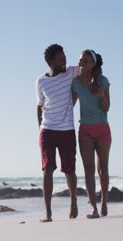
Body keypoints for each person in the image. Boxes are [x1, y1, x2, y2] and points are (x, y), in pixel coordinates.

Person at [36, 44, 79, 222]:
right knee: (47, 169)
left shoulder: (71, 73)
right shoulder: (41, 81)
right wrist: (41, 128)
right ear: (51, 62)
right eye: (61, 59)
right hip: (48, 130)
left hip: (67, 129)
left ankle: (74, 202)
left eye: (65, 57)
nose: (65, 61)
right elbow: (39, 106)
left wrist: (73, 101)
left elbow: (89, 65)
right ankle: (48, 212)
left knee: (69, 170)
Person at [71, 49, 111, 218]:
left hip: (102, 128)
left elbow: (107, 108)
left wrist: (102, 95)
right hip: (85, 130)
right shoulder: (75, 83)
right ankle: (93, 208)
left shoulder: (103, 81)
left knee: (102, 169)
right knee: (88, 170)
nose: (82, 63)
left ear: (93, 64)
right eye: (81, 60)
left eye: (86, 61)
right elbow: (70, 106)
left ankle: (104, 201)